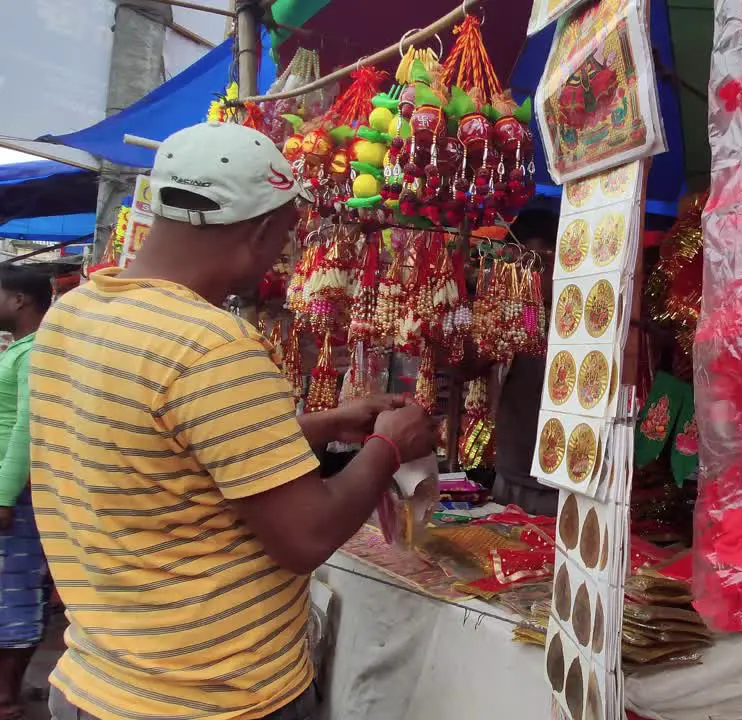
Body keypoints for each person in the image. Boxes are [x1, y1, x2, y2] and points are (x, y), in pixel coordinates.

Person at [29, 122, 439, 720]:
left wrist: (320, 425)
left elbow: (161, 455)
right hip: (210, 698)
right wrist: (387, 447)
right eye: (288, 236)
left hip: (97, 678)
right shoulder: (212, 345)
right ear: (262, 229)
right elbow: (306, 537)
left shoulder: (73, 314)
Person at [0, 267, 51, 720]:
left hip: (16, 496)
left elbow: (26, 427)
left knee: (14, 595)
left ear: (20, 300)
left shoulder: (35, 354)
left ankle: (7, 699)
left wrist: (3, 494)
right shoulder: (21, 351)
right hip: (11, 491)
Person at [489, 208, 559, 516]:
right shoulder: (510, 317)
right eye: (514, 264)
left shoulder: (577, 323)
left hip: (557, 487)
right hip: (510, 474)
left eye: (532, 265)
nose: (520, 277)